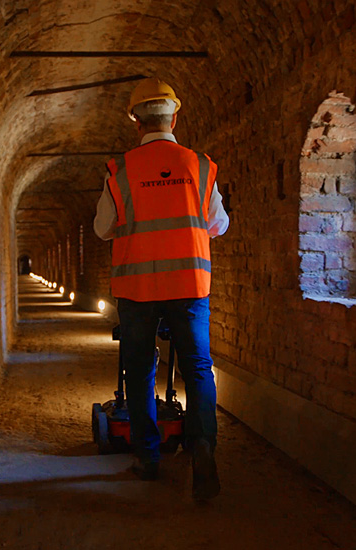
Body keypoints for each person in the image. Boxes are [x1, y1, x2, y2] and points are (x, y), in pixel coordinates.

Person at [93, 77, 229, 500]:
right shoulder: (200, 165)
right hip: (189, 285)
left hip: (136, 288)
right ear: (175, 116)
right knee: (197, 369)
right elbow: (218, 224)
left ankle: (147, 458)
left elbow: (102, 229)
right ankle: (202, 447)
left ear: (136, 122)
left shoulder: (121, 171)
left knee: (139, 369)